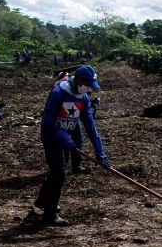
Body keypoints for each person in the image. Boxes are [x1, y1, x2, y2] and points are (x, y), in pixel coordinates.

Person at [35, 65, 110, 226]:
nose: (88, 88)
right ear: (79, 80)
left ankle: (43, 200)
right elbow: (47, 122)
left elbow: (90, 126)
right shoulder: (58, 93)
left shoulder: (82, 98)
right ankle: (49, 215)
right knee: (60, 173)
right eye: (87, 84)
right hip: (51, 138)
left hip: (66, 137)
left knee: (57, 172)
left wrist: (100, 151)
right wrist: (61, 135)